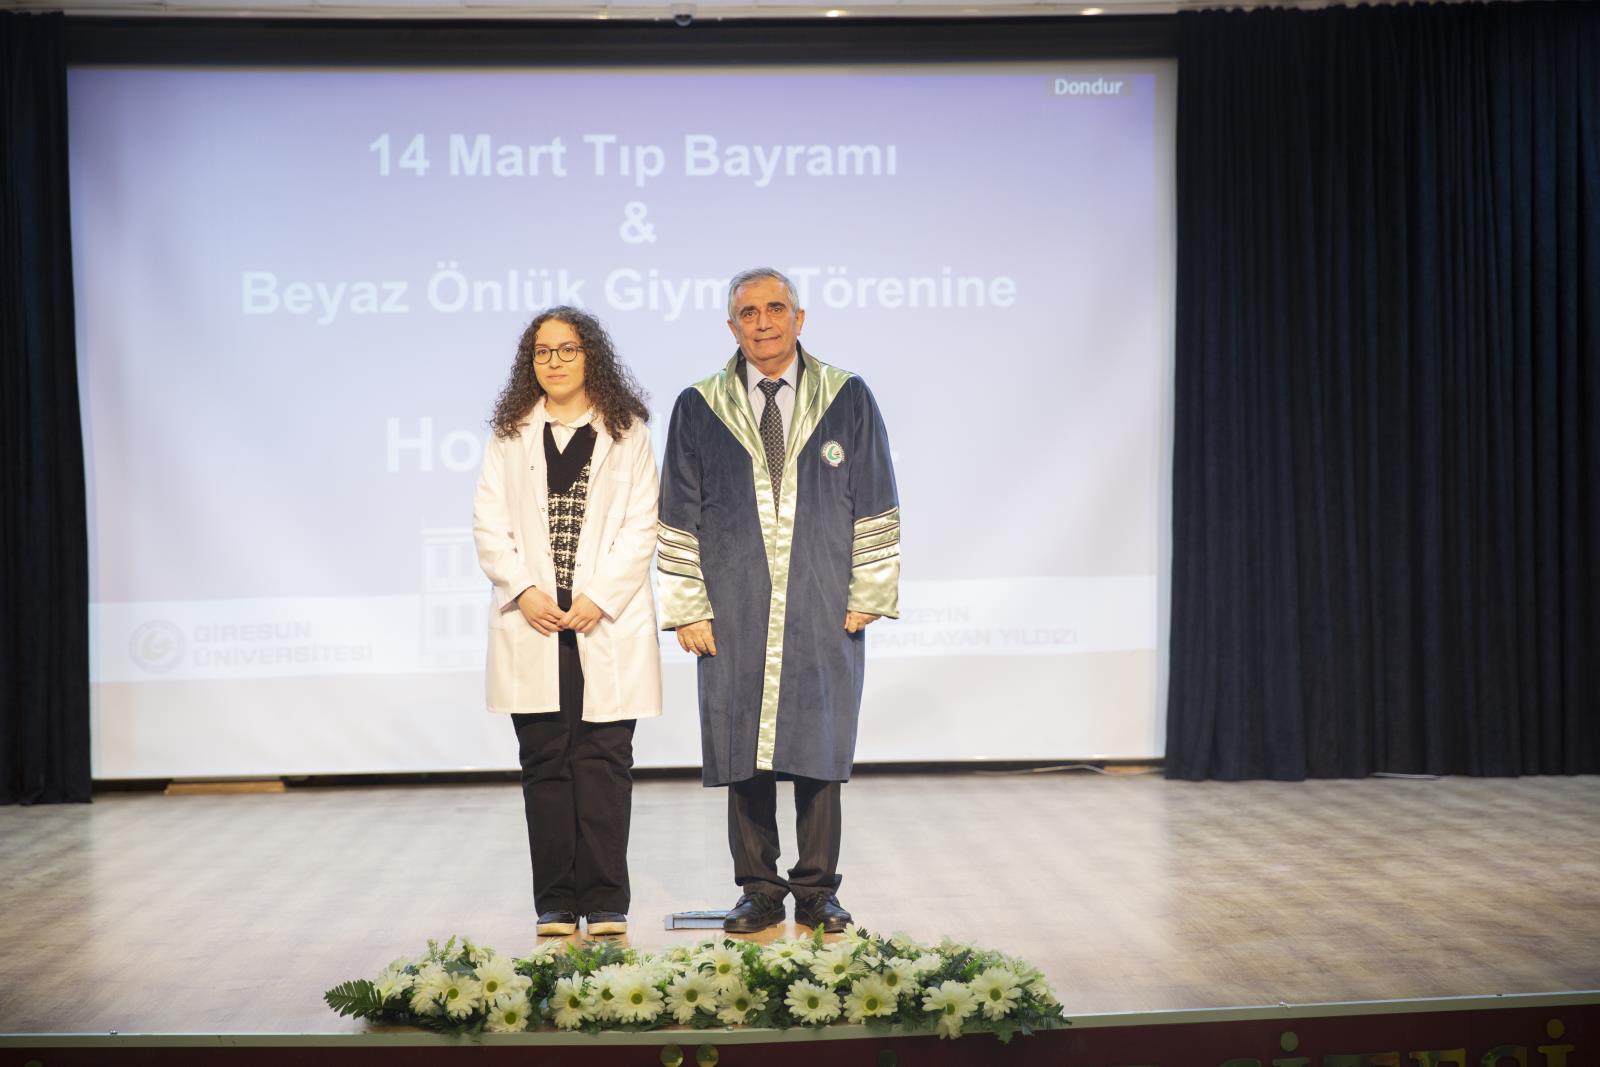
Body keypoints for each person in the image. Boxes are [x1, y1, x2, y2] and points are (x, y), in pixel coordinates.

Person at [657, 267, 901, 934]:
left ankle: (818, 889)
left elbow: (876, 494)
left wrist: (869, 590)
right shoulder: (699, 405)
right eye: (748, 312)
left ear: (800, 317)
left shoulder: (846, 396)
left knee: (819, 743)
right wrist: (688, 604)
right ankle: (758, 889)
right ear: (731, 325)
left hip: (822, 596)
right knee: (744, 746)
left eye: (774, 308)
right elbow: (677, 512)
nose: (762, 322)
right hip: (733, 600)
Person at [473, 306, 661, 938]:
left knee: (604, 761)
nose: (554, 362)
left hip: (600, 620)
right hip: (536, 620)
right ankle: (555, 901)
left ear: (591, 357)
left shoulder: (627, 432)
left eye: (567, 349)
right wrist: (522, 589)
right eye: (542, 352)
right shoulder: (510, 435)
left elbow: (641, 525)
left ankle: (606, 900)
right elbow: (489, 524)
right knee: (545, 763)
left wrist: (600, 597)